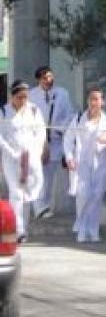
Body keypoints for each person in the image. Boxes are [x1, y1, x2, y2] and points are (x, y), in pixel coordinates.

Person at [63, 88, 106, 244]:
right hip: (82, 164)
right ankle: (81, 230)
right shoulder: (77, 119)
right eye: (91, 99)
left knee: (96, 197)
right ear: (88, 101)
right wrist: (69, 157)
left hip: (100, 164)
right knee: (83, 196)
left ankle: (93, 230)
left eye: (97, 99)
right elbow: (68, 140)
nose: (94, 102)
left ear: (102, 102)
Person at [0, 80, 46, 241]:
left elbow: (40, 134)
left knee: (29, 193)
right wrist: (11, 152)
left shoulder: (33, 111)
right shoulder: (3, 112)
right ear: (12, 97)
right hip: (11, 159)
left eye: (25, 97)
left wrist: (37, 152)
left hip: (31, 158)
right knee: (16, 194)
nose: (23, 101)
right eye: (20, 97)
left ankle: (23, 229)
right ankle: (18, 230)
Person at [30, 65, 74, 220]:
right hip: (38, 142)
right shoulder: (31, 95)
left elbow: (69, 115)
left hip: (55, 141)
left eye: (50, 77)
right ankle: (38, 206)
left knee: (49, 177)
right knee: (38, 175)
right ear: (38, 79)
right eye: (45, 78)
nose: (49, 80)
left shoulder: (62, 93)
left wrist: (59, 129)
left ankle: (44, 206)